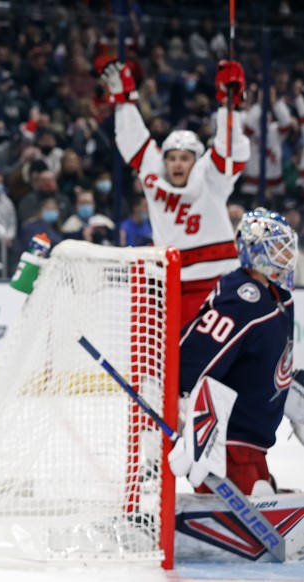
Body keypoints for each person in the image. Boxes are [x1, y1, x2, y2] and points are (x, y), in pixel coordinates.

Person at [103, 60, 250, 328]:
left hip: (218, 282)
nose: (177, 164)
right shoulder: (154, 176)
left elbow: (232, 151)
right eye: (171, 158)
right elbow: (132, 140)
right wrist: (124, 102)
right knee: (172, 359)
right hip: (172, 284)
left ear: (195, 160)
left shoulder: (210, 176)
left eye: (184, 158)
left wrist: (231, 107)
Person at [171, 208, 298, 496]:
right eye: (277, 246)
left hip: (253, 445)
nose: (286, 254)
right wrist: (185, 416)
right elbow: (194, 356)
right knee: (254, 522)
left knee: (264, 500)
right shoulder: (243, 296)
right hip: (226, 448)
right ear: (255, 251)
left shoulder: (278, 299)